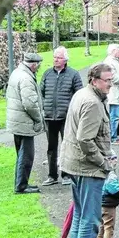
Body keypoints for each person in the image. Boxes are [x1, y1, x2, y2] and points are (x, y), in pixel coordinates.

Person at [61, 63, 119, 238]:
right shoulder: (92, 102)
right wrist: (103, 162)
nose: (110, 85)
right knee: (90, 217)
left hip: (74, 164)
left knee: (79, 213)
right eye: (107, 80)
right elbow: (85, 139)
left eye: (111, 80)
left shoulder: (82, 94)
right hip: (87, 168)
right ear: (94, 80)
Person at [39, 48, 84, 186]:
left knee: (68, 146)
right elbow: (42, 91)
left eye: (58, 57)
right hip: (50, 117)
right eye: (54, 57)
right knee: (51, 147)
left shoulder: (73, 74)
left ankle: (66, 174)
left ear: (65, 60)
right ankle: (52, 175)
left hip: (66, 117)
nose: (55, 59)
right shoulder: (47, 74)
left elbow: (79, 94)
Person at [5, 52, 45, 194]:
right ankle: (21, 186)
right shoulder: (26, 78)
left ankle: (22, 183)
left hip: (17, 121)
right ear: (33, 65)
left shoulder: (17, 72)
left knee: (21, 154)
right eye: (38, 65)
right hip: (24, 122)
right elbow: (30, 104)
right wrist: (38, 119)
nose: (38, 67)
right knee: (26, 156)